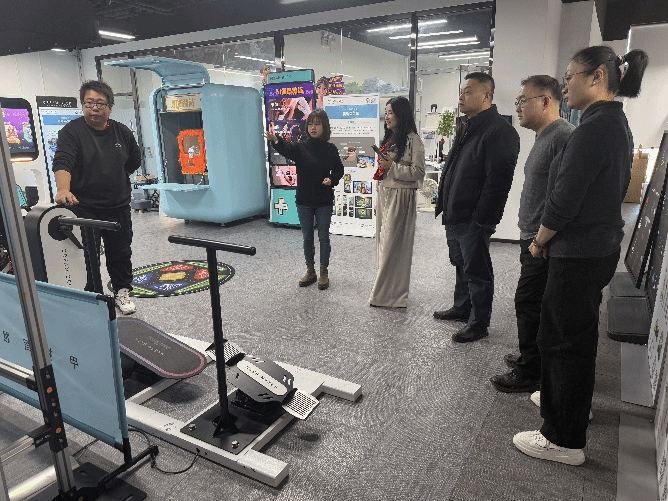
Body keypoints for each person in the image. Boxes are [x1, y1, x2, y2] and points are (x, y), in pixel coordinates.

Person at [513, 45, 649, 466]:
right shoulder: (611, 122)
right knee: (576, 336)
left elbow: (564, 199)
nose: (566, 84)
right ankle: (570, 403)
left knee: (562, 340)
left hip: (578, 252)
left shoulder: (592, 130)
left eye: (570, 76)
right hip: (596, 248)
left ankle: (563, 438)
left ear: (597, 77)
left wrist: (540, 240)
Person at [490, 76, 575, 393]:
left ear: (546, 101)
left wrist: (542, 239)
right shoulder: (545, 136)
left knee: (528, 301)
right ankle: (532, 358)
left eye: (523, 101)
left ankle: (530, 372)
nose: (518, 107)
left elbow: (562, 196)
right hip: (533, 236)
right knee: (534, 303)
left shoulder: (562, 136)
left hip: (544, 242)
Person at [434, 72, 520, 342]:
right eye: (461, 91)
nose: (461, 96)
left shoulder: (499, 131)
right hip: (455, 212)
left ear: (486, 96)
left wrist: (481, 219)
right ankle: (462, 308)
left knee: (477, 271)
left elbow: (498, 182)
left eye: (468, 91)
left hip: (474, 217)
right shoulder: (468, 125)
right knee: (460, 263)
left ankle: (479, 323)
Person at [52, 80, 142, 315]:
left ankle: (122, 291)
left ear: (110, 107)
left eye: (100, 103)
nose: (94, 107)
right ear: (83, 105)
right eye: (89, 102)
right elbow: (63, 161)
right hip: (84, 208)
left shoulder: (122, 132)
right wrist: (63, 189)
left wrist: (115, 177)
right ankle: (93, 298)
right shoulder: (71, 132)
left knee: (120, 253)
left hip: (117, 206)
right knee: (86, 256)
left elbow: (134, 160)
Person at [264, 109, 344, 289]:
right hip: (304, 200)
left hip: (323, 200)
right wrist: (276, 140)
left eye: (317, 124)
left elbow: (339, 170)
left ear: (324, 126)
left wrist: (332, 179)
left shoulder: (330, 149)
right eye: (310, 124)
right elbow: (287, 149)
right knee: (307, 237)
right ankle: (310, 270)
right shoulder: (300, 147)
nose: (313, 127)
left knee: (324, 238)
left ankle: (324, 271)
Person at [369, 96, 425, 308]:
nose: (387, 117)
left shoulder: (413, 140)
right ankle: (386, 293)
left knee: (394, 247)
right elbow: (384, 171)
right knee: (384, 245)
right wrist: (378, 199)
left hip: (401, 196)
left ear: (402, 114)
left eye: (391, 112)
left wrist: (392, 166)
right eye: (386, 113)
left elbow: (418, 172)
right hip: (385, 193)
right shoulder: (391, 139)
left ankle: (391, 295)